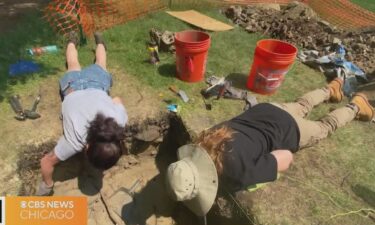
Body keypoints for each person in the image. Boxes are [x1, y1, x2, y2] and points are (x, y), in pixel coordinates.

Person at [165, 78, 374, 216]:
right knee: (302, 105)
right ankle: (331, 88)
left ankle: (356, 106)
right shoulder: (203, 140)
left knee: (324, 127)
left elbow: (285, 157)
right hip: (267, 111)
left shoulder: (239, 174)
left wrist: (267, 168)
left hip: (288, 129)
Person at [37, 32, 128, 196]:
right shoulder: (74, 142)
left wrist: (47, 183)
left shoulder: (118, 122)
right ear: (86, 148)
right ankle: (81, 41)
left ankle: (86, 41)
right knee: (73, 65)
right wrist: (47, 185)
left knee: (98, 64)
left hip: (96, 84)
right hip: (71, 87)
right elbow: (46, 162)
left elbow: (117, 99)